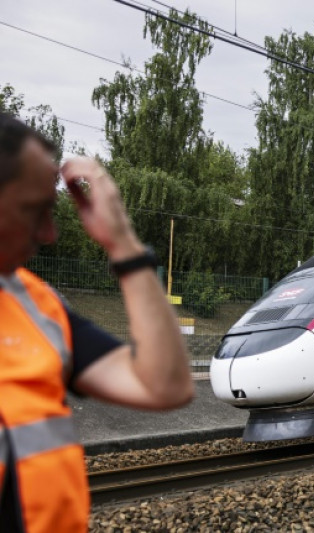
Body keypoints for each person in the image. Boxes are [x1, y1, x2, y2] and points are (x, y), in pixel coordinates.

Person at [0, 113, 194, 532]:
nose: (50, 234)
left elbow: (166, 385)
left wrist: (122, 241)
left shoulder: (36, 305)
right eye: (34, 211)